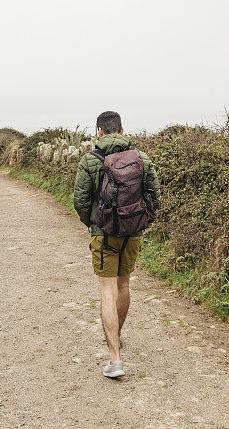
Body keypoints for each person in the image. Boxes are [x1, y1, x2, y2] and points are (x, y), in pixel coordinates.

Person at [73, 111, 161, 378]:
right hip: (133, 232)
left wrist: (90, 223)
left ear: (99, 131)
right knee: (124, 285)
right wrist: (142, 222)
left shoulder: (90, 160)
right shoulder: (141, 158)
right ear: (122, 131)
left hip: (104, 233)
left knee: (107, 291)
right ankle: (117, 336)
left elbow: (81, 200)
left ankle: (115, 359)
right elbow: (154, 196)